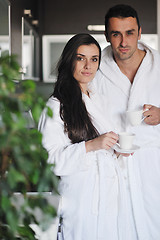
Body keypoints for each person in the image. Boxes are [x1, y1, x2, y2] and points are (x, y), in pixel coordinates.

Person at [38, 33, 137, 240]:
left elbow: (105, 147)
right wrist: (91, 145)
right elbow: (48, 161)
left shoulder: (99, 99)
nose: (87, 66)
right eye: (80, 58)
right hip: (80, 200)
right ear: (69, 60)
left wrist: (116, 150)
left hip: (109, 197)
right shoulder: (57, 106)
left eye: (94, 59)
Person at [93, 4, 160, 240]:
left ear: (140, 32)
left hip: (154, 171)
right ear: (106, 36)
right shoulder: (96, 70)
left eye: (130, 33)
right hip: (112, 169)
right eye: (116, 34)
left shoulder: (158, 65)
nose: (123, 41)